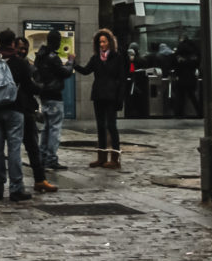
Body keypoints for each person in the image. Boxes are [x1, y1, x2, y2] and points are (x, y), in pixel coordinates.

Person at [0, 31, 29, 201]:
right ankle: (16, 188)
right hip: (14, 110)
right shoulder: (19, 63)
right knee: (14, 150)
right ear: (12, 43)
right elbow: (28, 85)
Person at [10, 34, 56, 193]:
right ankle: (22, 183)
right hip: (18, 109)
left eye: (25, 48)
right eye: (20, 48)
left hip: (25, 109)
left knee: (31, 147)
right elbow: (34, 87)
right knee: (23, 147)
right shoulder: (20, 65)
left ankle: (39, 179)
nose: (23, 51)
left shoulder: (26, 65)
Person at [77, 27, 127, 170]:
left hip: (111, 96)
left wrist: (120, 98)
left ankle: (115, 159)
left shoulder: (117, 57)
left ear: (110, 42)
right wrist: (73, 64)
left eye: (104, 42)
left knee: (111, 125)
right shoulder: (96, 58)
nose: (102, 44)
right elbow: (86, 71)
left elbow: (122, 79)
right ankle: (102, 157)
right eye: (100, 42)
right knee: (100, 126)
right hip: (99, 95)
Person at [34, 25, 74, 170]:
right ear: (56, 41)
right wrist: (70, 61)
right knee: (54, 129)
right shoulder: (53, 57)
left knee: (46, 128)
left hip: (44, 95)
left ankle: (42, 156)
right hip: (55, 96)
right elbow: (65, 72)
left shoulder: (40, 55)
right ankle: (51, 158)